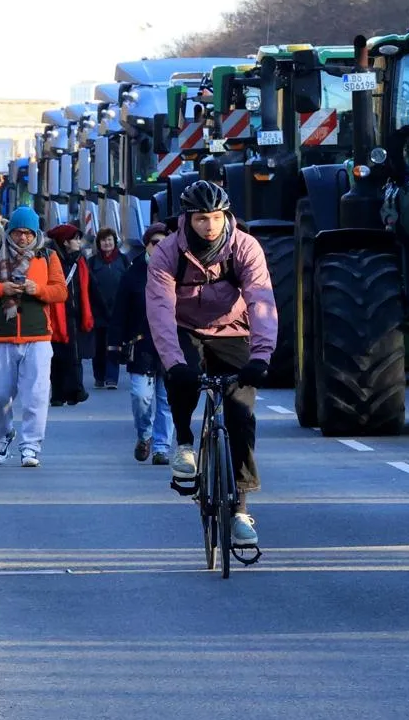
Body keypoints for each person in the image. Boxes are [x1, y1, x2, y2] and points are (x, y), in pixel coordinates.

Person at [147, 180, 277, 549]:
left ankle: (240, 509)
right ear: (188, 218)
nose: (210, 226)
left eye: (217, 218)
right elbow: (159, 310)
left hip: (233, 329)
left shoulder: (245, 248)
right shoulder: (168, 252)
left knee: (240, 413)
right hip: (185, 327)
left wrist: (261, 355)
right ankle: (185, 444)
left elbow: (262, 299)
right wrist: (173, 363)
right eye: (202, 219)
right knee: (182, 379)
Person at [0, 206, 67, 467]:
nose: (22, 238)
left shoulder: (48, 256)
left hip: (37, 337)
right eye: (17, 232)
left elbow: (60, 291)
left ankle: (31, 446)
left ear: (35, 233)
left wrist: (39, 290)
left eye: (27, 233)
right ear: (9, 232)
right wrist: (1, 289)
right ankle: (3, 435)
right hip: (0, 336)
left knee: (36, 395)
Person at [112, 223, 174, 463]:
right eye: (154, 243)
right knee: (141, 396)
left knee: (166, 400)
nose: (159, 248)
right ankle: (145, 434)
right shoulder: (133, 273)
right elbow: (120, 312)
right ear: (147, 245)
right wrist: (115, 345)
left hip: (170, 344)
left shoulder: (178, 271)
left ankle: (161, 447)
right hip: (141, 344)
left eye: (164, 243)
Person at [45, 224, 93, 406]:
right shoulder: (51, 260)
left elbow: (90, 285)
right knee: (57, 356)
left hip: (75, 315)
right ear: (65, 242)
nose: (79, 242)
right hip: (55, 315)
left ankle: (74, 391)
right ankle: (59, 394)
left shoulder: (79, 260)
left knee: (74, 354)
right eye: (76, 239)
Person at [87, 228, 127, 389]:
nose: (107, 243)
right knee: (98, 346)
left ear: (114, 241)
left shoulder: (123, 260)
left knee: (114, 345)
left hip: (118, 310)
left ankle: (112, 378)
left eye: (109, 239)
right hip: (97, 311)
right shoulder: (92, 262)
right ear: (99, 243)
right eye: (103, 240)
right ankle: (99, 376)